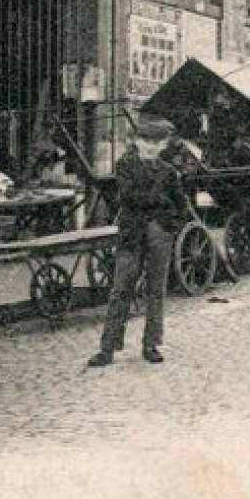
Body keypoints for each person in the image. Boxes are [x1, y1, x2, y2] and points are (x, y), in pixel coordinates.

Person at [89, 116, 188, 367]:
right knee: (121, 289)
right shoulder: (126, 165)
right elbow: (127, 196)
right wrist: (159, 201)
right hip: (131, 236)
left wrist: (169, 227)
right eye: (145, 140)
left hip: (160, 237)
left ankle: (151, 344)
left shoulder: (169, 172)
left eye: (156, 142)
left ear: (164, 144)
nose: (150, 146)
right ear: (136, 141)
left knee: (156, 291)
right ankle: (107, 348)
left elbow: (181, 204)